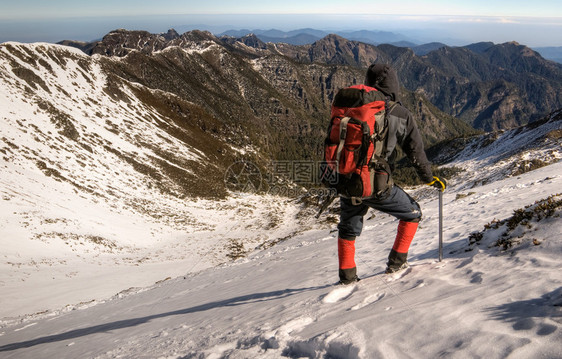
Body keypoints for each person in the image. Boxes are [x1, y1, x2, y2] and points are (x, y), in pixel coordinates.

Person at [337, 63, 446, 284]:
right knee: (412, 213)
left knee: (348, 228)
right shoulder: (400, 113)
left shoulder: (352, 107)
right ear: (393, 85)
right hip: (377, 184)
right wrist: (429, 178)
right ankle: (396, 265)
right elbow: (415, 152)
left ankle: (347, 278)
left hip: (347, 179)